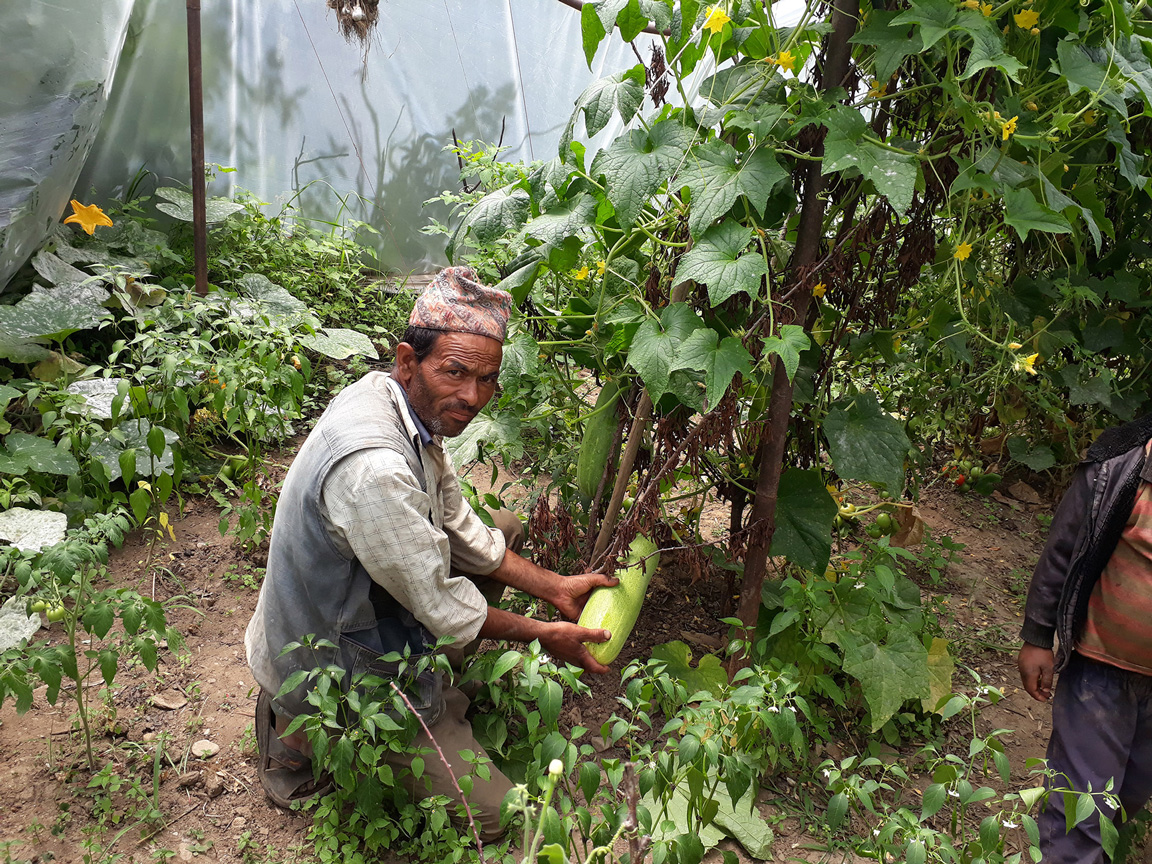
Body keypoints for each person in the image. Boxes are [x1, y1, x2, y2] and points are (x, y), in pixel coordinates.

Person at [244, 266, 618, 840]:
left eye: (487, 379)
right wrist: (544, 634)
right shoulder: (375, 469)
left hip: (366, 602)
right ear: (407, 361)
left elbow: (460, 525)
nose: (472, 396)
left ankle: (434, 681)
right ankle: (296, 727)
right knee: (501, 814)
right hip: (329, 654)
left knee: (502, 529)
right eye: (455, 372)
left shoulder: (400, 404)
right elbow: (442, 604)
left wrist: (554, 587)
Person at [1017, 412, 1152, 863]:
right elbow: (1062, 549)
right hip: (1100, 672)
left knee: (1128, 796)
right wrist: (1038, 635)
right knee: (1083, 809)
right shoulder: (1119, 462)